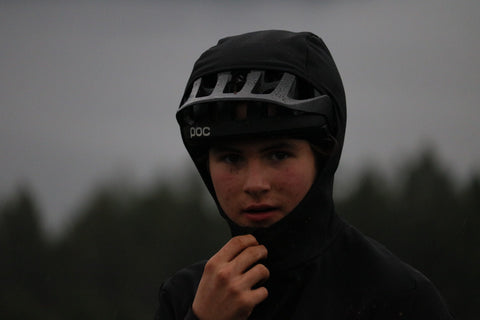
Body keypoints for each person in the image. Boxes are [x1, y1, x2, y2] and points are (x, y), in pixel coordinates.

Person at [155, 30, 454, 319]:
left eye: (278, 155)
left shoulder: (398, 298)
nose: (255, 184)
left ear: (323, 155)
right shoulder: (186, 298)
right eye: (231, 158)